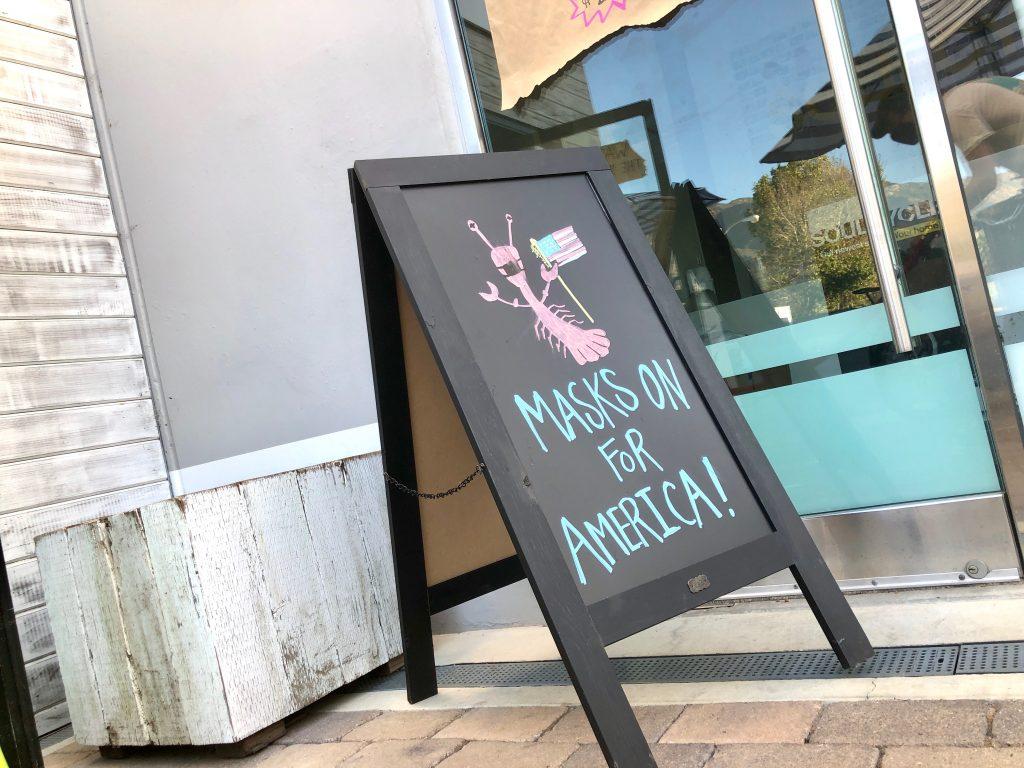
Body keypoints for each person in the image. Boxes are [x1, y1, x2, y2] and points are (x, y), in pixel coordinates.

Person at [873, 77, 1024, 207]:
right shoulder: (953, 104)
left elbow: (985, 179)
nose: (896, 135)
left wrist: (943, 218)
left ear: (911, 110)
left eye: (896, 126)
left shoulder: (953, 115)